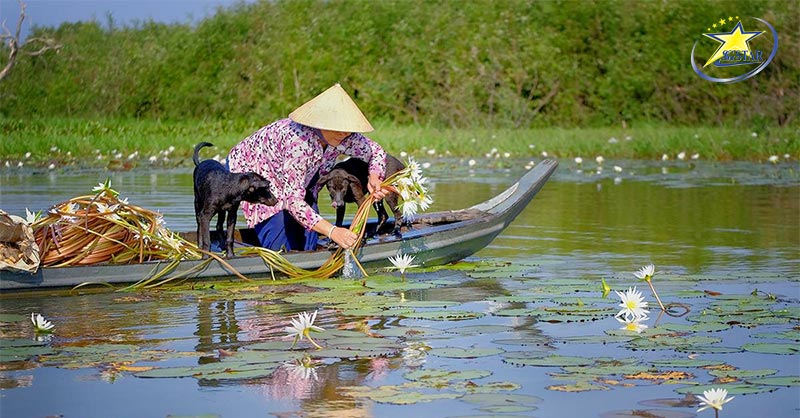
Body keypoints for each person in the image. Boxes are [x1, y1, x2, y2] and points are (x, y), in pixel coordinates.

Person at [227, 84, 389, 251]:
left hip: (296, 178)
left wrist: (374, 176)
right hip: (257, 171)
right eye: (339, 129)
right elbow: (293, 200)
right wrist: (332, 231)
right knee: (282, 247)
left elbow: (376, 152)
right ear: (321, 124)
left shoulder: (346, 136)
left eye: (347, 130)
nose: (344, 134)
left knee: (308, 243)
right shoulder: (299, 143)